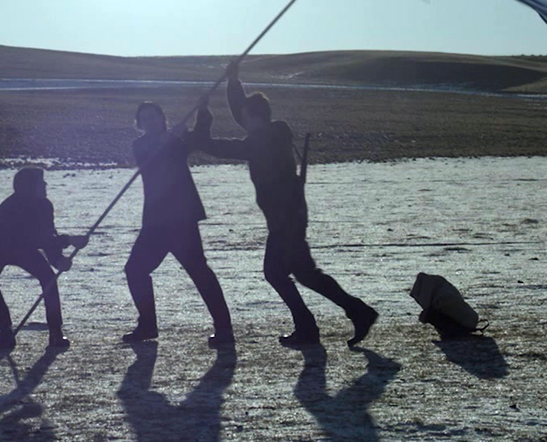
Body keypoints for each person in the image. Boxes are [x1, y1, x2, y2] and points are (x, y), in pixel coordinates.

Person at [196, 62, 378, 348]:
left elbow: (219, 147)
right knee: (303, 273)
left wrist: (202, 117)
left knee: (278, 273)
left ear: (254, 117)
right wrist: (233, 81)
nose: (242, 120)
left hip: (286, 221)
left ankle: (320, 323)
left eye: (245, 116)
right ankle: (352, 314)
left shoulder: (262, 141)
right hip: (288, 217)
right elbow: (241, 111)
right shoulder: (271, 133)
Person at [121, 100, 234, 348]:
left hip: (182, 220)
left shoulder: (178, 140)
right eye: (145, 119)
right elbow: (151, 157)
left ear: (162, 119)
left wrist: (203, 111)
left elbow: (201, 136)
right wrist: (169, 139)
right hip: (156, 222)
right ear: (140, 124)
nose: (150, 122)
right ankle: (147, 325)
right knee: (135, 269)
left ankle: (224, 329)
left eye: (154, 117)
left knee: (199, 272)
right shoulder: (140, 145)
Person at [0, 167, 88, 350]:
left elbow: (48, 235)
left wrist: (57, 260)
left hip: (21, 247)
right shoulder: (13, 207)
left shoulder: (45, 205)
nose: (45, 184)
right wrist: (68, 240)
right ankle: (5, 331)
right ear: (28, 187)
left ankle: (55, 331)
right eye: (40, 182)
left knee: (49, 279)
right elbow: (37, 239)